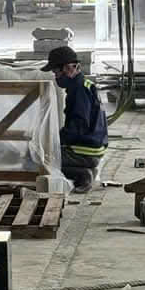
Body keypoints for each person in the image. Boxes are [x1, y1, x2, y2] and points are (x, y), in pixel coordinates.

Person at [46, 45, 107, 191]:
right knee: (48, 150)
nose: (56, 77)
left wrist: (52, 140)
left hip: (85, 151)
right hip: (93, 148)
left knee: (41, 158)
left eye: (56, 73)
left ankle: (82, 174)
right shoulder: (84, 85)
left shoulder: (79, 91)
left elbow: (78, 126)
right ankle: (85, 170)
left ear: (68, 68)